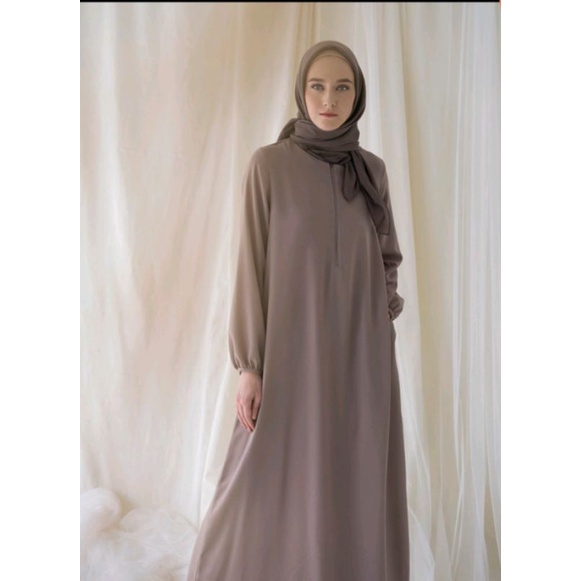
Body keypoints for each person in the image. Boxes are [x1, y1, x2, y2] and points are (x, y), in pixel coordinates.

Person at [186, 40, 409, 580]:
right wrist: (249, 366)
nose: (329, 100)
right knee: (261, 471)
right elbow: (251, 266)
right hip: (291, 349)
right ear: (301, 92)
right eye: (317, 86)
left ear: (357, 96)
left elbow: (387, 256)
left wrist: (379, 320)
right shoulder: (269, 166)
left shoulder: (371, 171)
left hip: (362, 354)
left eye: (342, 88)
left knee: (354, 473)